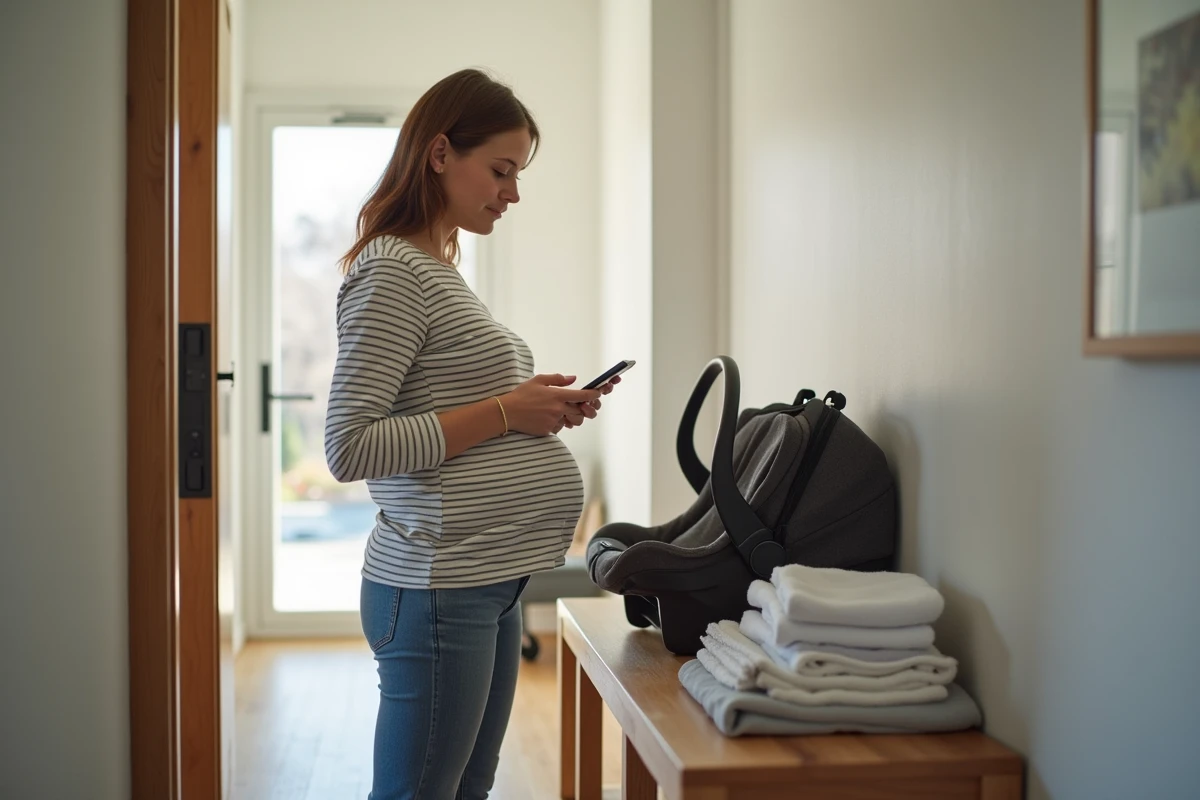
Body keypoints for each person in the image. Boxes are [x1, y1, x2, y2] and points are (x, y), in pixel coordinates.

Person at [324, 68, 618, 800]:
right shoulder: (393, 271)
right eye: (500, 170)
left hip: (488, 578)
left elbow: (456, 410)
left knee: (466, 789)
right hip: (436, 585)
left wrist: (534, 407)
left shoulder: (437, 269)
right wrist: (507, 412)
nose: (511, 194)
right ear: (440, 154)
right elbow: (351, 444)